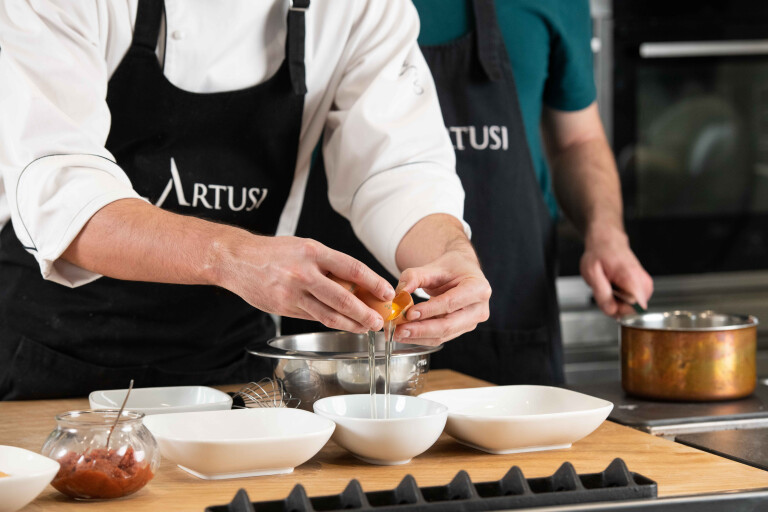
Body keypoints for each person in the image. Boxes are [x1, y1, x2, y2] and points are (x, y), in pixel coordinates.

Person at [0, 0, 491, 400]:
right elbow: (61, 192)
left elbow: (398, 168)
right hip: (45, 365)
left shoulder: (360, 7)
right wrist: (231, 257)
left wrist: (449, 256)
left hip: (233, 369)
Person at [283, 0, 653, 385]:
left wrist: (606, 232)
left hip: (510, 307)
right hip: (342, 329)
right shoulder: (339, 8)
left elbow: (579, 138)